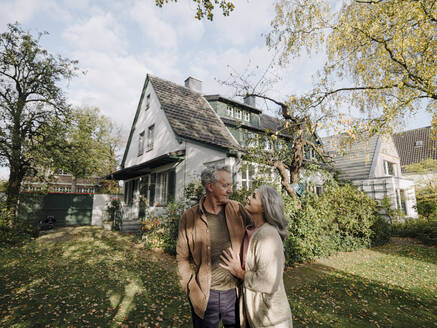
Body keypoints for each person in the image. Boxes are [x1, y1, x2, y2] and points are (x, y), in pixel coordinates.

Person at [176, 165, 252, 327]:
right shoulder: (189, 217)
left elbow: (258, 235)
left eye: (231, 185)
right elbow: (182, 258)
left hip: (235, 294)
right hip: (205, 296)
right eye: (225, 185)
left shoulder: (238, 210)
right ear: (210, 186)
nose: (230, 190)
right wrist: (191, 288)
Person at [220, 185, 293, 328]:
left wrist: (239, 272)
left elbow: (268, 282)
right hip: (254, 312)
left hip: (270, 317)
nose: (248, 197)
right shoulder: (253, 229)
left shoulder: (268, 235)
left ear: (264, 207)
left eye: (253, 196)